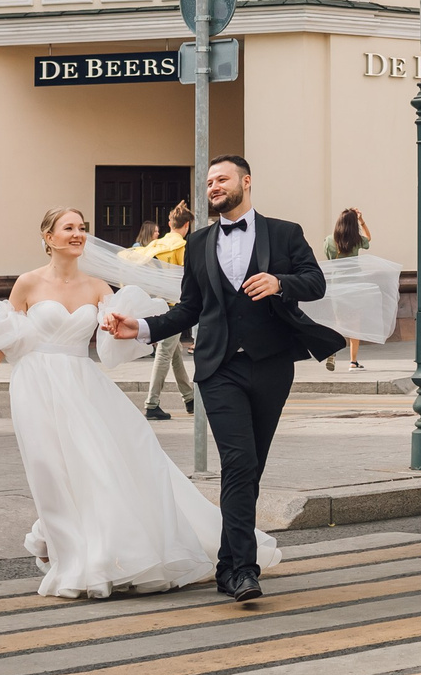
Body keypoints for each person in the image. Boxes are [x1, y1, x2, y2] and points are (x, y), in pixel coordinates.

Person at [0, 207, 276, 599]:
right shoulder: (27, 284)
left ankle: (98, 558)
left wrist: (119, 328)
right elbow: (0, 344)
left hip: (82, 384)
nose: (78, 234)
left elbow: (116, 343)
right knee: (50, 472)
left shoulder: (98, 288)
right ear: (48, 237)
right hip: (34, 388)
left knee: (97, 467)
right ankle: (70, 556)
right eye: (68, 228)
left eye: (82, 228)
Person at [103, 156, 341, 603]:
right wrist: (143, 329)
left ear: (246, 182)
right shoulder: (198, 243)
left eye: (221, 179)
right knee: (238, 462)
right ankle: (244, 572)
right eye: (209, 181)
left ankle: (226, 564)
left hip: (271, 365)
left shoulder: (285, 233)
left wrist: (280, 283)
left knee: (252, 466)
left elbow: (315, 282)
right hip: (217, 368)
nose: (213, 186)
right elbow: (189, 309)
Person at [140, 203, 194, 419]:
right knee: (165, 353)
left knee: (174, 354)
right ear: (187, 225)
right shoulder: (182, 247)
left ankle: (189, 399)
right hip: (175, 306)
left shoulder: (156, 245)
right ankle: (152, 404)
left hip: (156, 304)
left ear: (170, 224)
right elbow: (187, 278)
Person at [322, 208, 371, 370]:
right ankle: (352, 362)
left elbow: (329, 259)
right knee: (354, 324)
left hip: (337, 285)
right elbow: (369, 239)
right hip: (355, 284)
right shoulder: (356, 240)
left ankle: (332, 351)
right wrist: (361, 220)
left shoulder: (329, 241)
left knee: (338, 322)